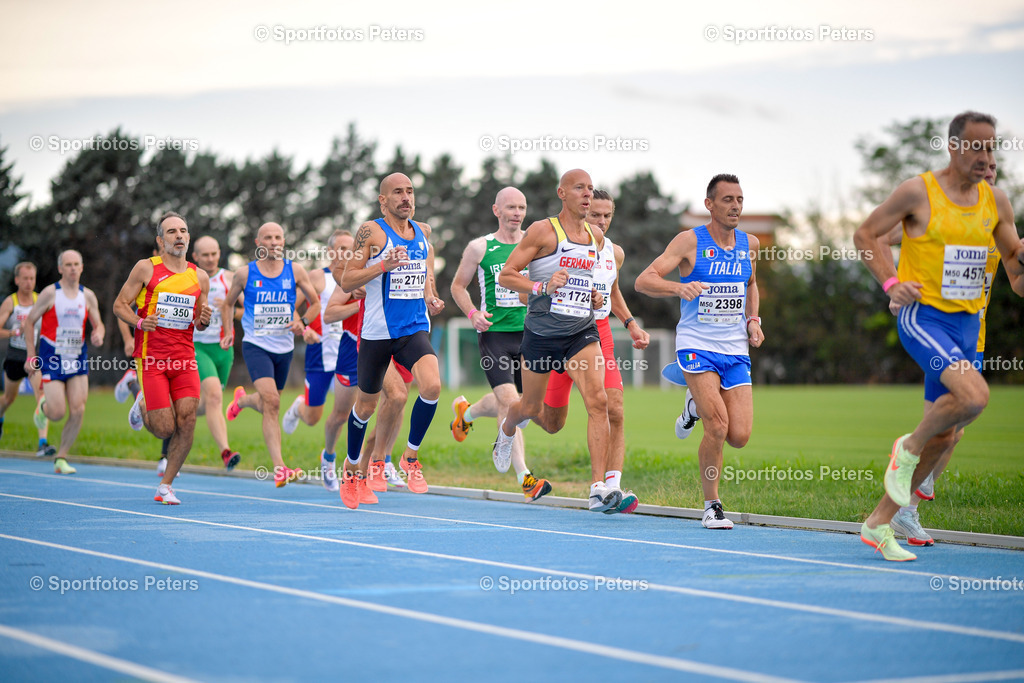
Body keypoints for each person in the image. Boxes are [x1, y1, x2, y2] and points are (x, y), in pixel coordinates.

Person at [852, 111, 1024, 561]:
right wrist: (892, 283)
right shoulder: (919, 191)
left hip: (970, 328)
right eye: (976, 146)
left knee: (947, 437)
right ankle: (905, 448)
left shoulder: (997, 203)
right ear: (953, 147)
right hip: (924, 318)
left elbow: (1016, 276)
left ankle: (878, 523)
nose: (986, 156)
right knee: (975, 396)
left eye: (992, 147)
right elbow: (867, 234)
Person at [884, 160, 1024, 547]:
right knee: (949, 424)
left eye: (994, 170)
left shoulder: (997, 227)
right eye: (982, 168)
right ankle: (907, 491)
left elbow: (1018, 285)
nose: (988, 175)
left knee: (954, 431)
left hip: (972, 337)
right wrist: (897, 285)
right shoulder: (938, 211)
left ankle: (905, 500)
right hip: (935, 327)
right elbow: (888, 236)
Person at [635, 174, 764, 529]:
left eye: (739, 199)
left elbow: (751, 284)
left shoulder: (749, 244)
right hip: (696, 346)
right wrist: (680, 287)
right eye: (727, 199)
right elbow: (644, 280)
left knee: (739, 436)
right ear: (710, 204)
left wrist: (753, 319)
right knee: (718, 426)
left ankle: (692, 406)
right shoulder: (689, 241)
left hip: (735, 349)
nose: (735, 205)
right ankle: (712, 505)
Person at [492, 169, 621, 513]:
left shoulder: (595, 236)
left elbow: (585, 281)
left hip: (581, 331)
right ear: (562, 193)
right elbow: (507, 275)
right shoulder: (543, 231)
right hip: (542, 333)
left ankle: (598, 488)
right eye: (580, 188)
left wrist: (594, 296)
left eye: (591, 189)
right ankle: (506, 429)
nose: (587, 195)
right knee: (535, 411)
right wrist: (542, 287)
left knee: (599, 401)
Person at [532, 189, 650, 512]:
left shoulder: (616, 253)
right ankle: (525, 409)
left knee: (614, 408)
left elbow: (613, 290)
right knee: (554, 422)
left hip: (599, 335)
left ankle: (609, 487)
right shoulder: (563, 245)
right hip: (563, 333)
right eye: (595, 214)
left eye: (607, 216)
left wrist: (630, 324)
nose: (601, 221)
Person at [337, 172, 444, 509]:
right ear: (383, 200)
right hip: (376, 334)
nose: (406, 198)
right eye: (397, 192)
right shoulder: (371, 232)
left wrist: (431, 296)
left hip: (412, 329)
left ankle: (409, 458)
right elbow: (346, 280)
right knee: (366, 406)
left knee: (432, 386)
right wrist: (382, 265)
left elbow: (425, 270)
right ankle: (353, 470)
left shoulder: (423, 232)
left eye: (410, 191)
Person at [449, 186, 553, 502]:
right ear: (497, 210)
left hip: (529, 335)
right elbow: (457, 286)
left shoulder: (534, 247)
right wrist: (471, 313)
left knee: (520, 405)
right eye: (510, 207)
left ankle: (465, 415)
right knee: (510, 402)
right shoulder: (480, 248)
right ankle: (525, 477)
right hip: (494, 335)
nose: (517, 213)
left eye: (521, 207)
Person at [114, 212, 212, 504]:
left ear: (189, 237)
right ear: (160, 240)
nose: (179, 236)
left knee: (188, 419)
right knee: (164, 428)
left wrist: (204, 319)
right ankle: (140, 399)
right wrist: (140, 322)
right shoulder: (146, 269)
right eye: (171, 232)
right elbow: (120, 305)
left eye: (183, 230)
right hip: (152, 358)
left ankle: (166, 486)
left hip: (184, 358)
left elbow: (199, 322)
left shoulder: (200, 277)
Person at [221, 222, 321, 487]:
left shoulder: (295, 270)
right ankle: (280, 468)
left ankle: (241, 402)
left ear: (284, 241)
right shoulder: (244, 274)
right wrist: (228, 332)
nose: (274, 242)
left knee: (269, 403)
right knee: (273, 402)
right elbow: (228, 304)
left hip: (284, 348)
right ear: (258, 242)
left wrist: (304, 323)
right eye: (268, 237)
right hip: (256, 345)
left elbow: (315, 303)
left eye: (278, 237)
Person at [285, 231, 362, 493]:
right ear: (330, 251)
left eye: (351, 249)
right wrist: (303, 326)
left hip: (349, 355)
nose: (346, 254)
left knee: (341, 415)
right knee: (312, 418)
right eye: (341, 248)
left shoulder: (360, 276)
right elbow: (291, 306)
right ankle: (299, 407)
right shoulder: (318, 277)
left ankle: (328, 459)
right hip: (320, 354)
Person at [21, 250, 106, 474]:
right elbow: (29, 323)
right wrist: (31, 355)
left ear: (82, 266)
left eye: (76, 264)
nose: (72, 268)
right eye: (67, 264)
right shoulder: (50, 294)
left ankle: (61, 457)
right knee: (57, 412)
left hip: (77, 358)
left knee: (78, 409)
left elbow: (99, 324)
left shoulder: (87, 296)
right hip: (52, 358)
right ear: (60, 268)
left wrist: (99, 334)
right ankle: (43, 406)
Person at [190, 235, 241, 470]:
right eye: (205, 255)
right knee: (213, 396)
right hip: (197, 346)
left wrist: (228, 307)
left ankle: (172, 409)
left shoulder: (229, 278)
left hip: (224, 349)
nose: (210, 259)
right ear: (196, 257)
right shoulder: (189, 278)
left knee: (207, 403)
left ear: (219, 253)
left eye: (214, 254)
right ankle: (226, 452)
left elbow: (249, 309)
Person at [0, 262, 53, 456]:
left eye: (32, 278)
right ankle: (0, 418)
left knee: (41, 398)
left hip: (34, 357)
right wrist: (13, 332)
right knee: (8, 399)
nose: (29, 282)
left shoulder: (40, 300)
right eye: (25, 278)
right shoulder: (11, 302)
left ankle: (43, 443)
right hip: (15, 357)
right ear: (17, 280)